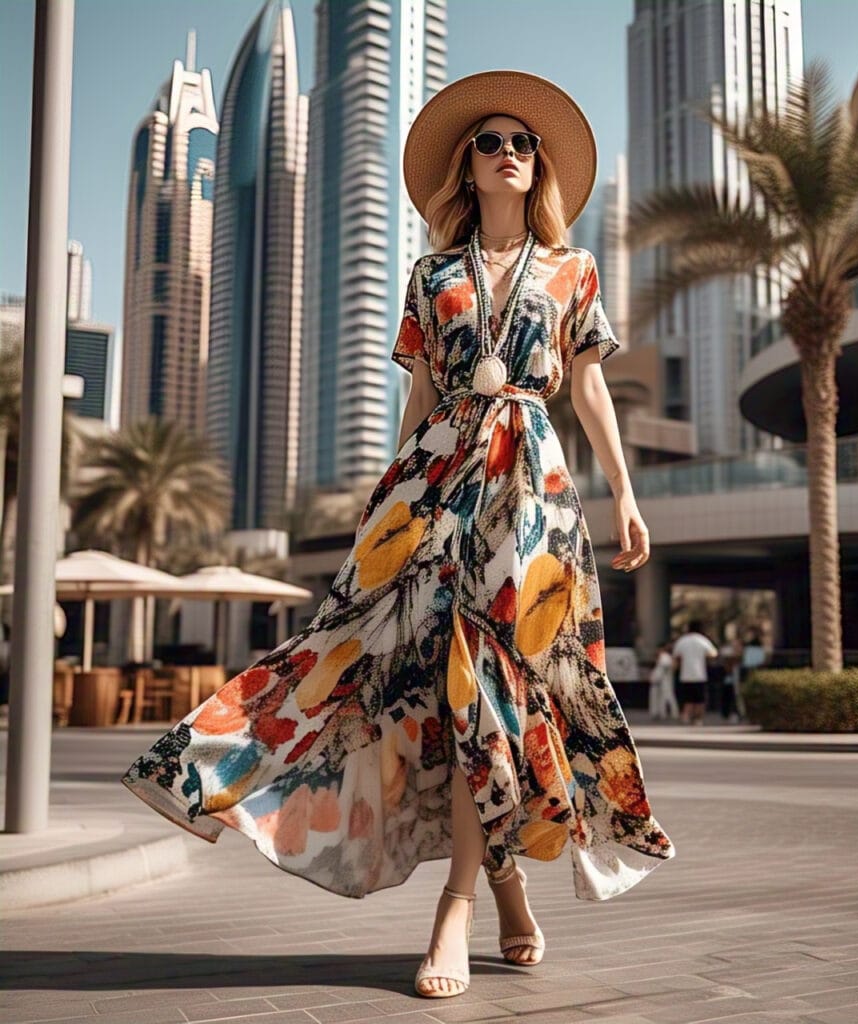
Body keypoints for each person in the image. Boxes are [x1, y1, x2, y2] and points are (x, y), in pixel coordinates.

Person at [120, 70, 675, 1001]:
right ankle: (495, 894)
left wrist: (625, 494)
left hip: (529, 487)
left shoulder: (572, 273)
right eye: (491, 141)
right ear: (468, 162)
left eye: (523, 144)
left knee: (491, 683)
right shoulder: (432, 277)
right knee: (404, 676)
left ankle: (458, 909)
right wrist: (390, 505)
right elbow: (417, 402)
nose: (508, 153)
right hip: (435, 479)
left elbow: (587, 389)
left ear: (538, 170)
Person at [672, 621, 718, 726]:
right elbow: (713, 654)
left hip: (685, 675)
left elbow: (675, 656)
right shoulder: (702, 640)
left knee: (687, 698)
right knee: (700, 699)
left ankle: (686, 716)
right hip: (700, 674)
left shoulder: (682, 640)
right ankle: (698, 719)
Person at [648, 641, 678, 720]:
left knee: (667, 697)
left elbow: (666, 667)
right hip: (659, 680)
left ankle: (672, 713)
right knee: (659, 698)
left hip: (664, 680)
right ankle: (660, 713)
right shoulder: (661, 657)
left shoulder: (665, 657)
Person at [718, 634, 741, 724]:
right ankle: (727, 713)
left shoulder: (740, 652)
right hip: (728, 677)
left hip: (735, 676)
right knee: (728, 694)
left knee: (735, 695)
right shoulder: (726, 651)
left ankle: (735, 713)